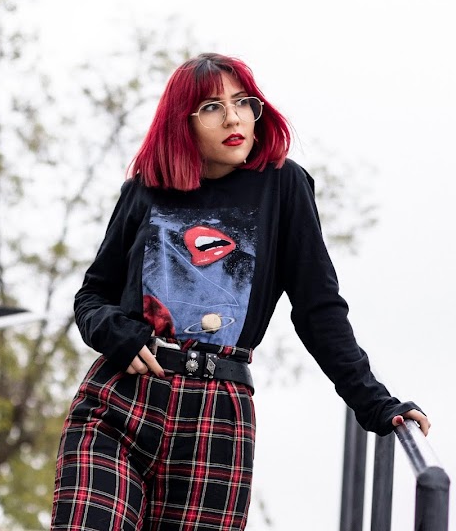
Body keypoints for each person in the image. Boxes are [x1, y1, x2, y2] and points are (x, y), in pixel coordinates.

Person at [51, 53, 430, 531]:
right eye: (212, 107)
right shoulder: (145, 190)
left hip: (217, 421)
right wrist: (116, 332)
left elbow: (318, 309)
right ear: (182, 123)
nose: (233, 118)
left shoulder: (283, 186)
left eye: (242, 102)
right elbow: (92, 296)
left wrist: (376, 403)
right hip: (123, 400)